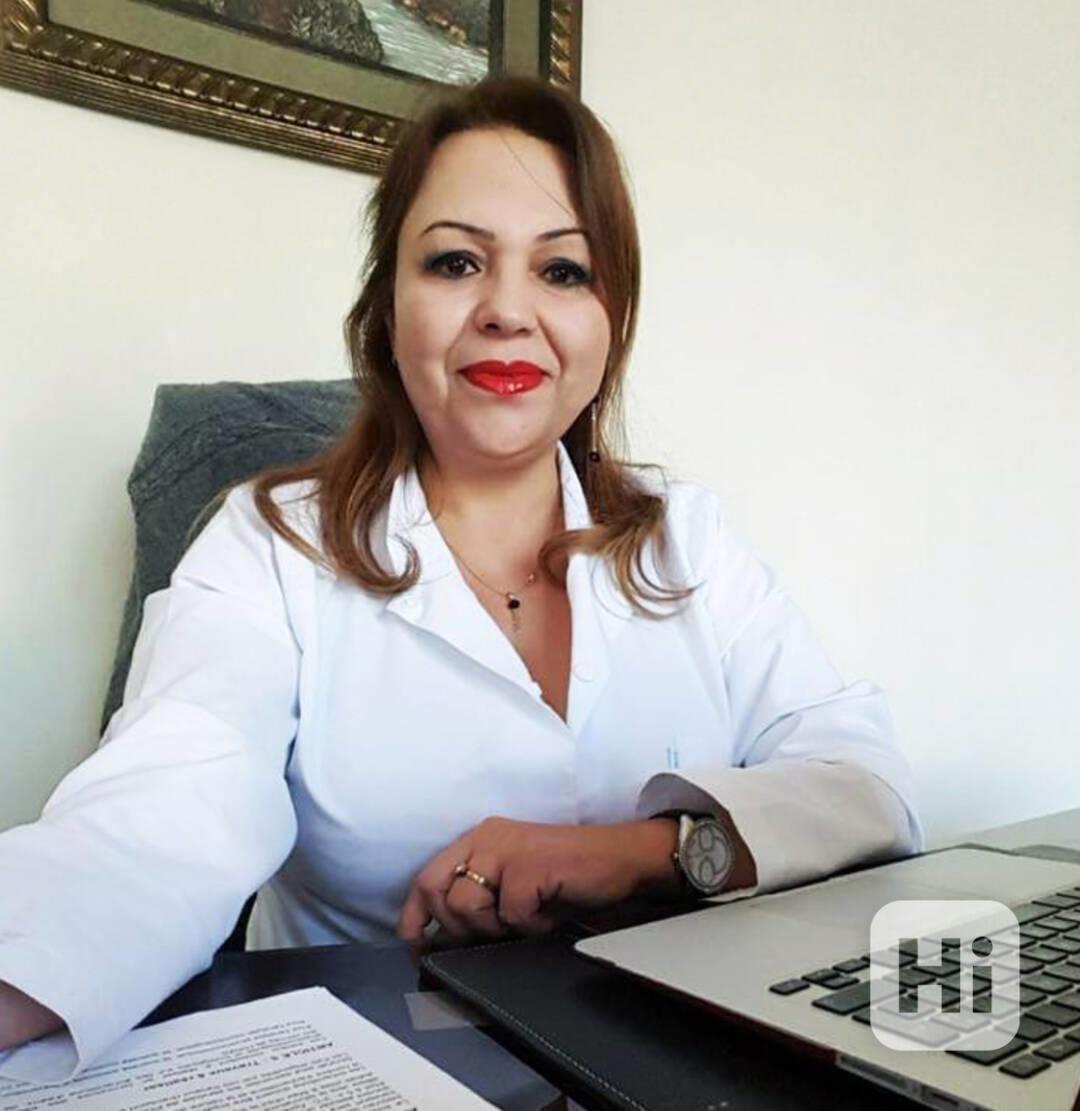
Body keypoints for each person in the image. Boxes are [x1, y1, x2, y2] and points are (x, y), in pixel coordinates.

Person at [0, 76, 922, 1075]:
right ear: (387, 307)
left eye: (562, 270)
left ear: (612, 318)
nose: (507, 311)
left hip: (671, 1066)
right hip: (364, 1066)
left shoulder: (686, 540)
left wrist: (643, 850)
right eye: (455, 262)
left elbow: (864, 787)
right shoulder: (271, 543)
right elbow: (166, 804)